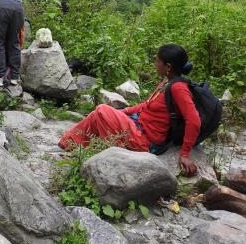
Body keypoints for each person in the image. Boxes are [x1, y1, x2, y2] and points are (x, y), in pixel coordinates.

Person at [58, 44, 201, 176]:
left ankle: (78, 147)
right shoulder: (166, 81)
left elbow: (194, 121)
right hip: (138, 125)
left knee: (102, 110)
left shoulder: (178, 88)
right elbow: (147, 104)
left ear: (168, 66)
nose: (155, 64)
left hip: (145, 141)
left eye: (157, 61)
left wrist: (185, 154)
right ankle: (68, 144)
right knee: (98, 115)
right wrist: (124, 111)